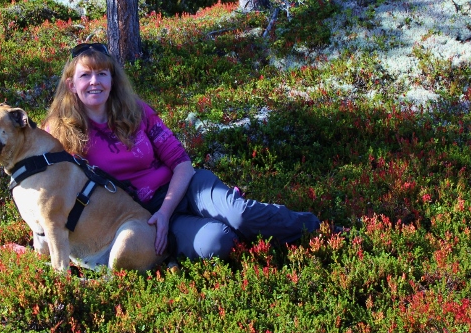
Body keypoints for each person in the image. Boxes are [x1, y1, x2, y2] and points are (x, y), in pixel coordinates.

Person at [44, 42, 321, 261]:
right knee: (216, 243)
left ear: (112, 80)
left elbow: (182, 163)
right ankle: (247, 227)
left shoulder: (136, 111)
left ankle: (314, 227)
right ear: (71, 85)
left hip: (187, 188)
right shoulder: (60, 133)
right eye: (85, 75)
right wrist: (41, 239)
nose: (95, 82)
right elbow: (46, 190)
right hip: (144, 217)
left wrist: (165, 212)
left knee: (240, 215)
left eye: (102, 74)